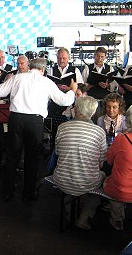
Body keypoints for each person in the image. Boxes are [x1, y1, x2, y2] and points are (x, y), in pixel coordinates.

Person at [0, 58, 77, 202]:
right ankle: (28, 193)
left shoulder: (17, 77)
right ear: (43, 70)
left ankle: (8, 191)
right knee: (32, 158)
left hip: (16, 119)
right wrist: (72, 91)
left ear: (30, 67)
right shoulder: (46, 82)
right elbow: (65, 101)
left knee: (12, 156)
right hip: (35, 122)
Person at [53, 96, 107, 230]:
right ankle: (83, 217)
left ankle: (69, 202)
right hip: (86, 182)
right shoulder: (99, 132)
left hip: (61, 179)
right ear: (94, 112)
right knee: (103, 177)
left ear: (75, 109)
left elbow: (58, 152)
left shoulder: (62, 127)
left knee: (73, 172)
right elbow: (101, 162)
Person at [47, 47, 83, 115]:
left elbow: (81, 87)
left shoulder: (75, 70)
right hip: (55, 103)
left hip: (70, 104)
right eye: (59, 58)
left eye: (64, 58)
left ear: (68, 58)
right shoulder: (51, 70)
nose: (62, 60)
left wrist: (70, 88)